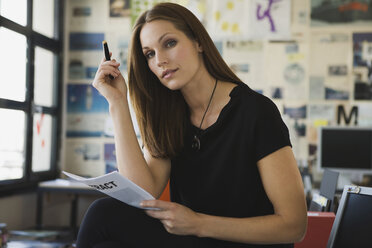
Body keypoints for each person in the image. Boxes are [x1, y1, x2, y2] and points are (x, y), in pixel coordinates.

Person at [76, 2, 307, 248]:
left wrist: (198, 223)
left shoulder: (256, 112)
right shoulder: (168, 117)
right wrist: (117, 103)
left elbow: (294, 226)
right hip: (196, 239)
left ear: (198, 42)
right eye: (150, 54)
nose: (161, 60)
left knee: (103, 215)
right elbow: (141, 193)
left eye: (169, 43)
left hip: (245, 242)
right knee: (106, 229)